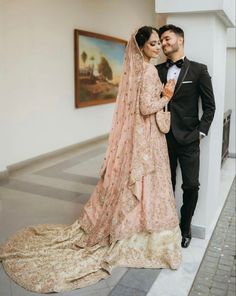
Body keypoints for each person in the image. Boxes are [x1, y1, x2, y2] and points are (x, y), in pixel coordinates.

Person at [0, 26, 181, 293]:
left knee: (141, 184)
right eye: (153, 43)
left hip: (140, 139)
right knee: (148, 184)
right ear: (141, 47)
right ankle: (141, 236)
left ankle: (130, 227)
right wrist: (165, 96)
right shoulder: (150, 70)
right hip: (148, 140)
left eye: (159, 43)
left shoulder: (136, 70)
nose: (158, 47)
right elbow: (145, 108)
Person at [156, 24, 216, 248]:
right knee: (165, 185)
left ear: (180, 40)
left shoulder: (199, 70)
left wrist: (200, 132)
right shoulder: (157, 70)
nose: (163, 43)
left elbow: (210, 107)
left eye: (167, 39)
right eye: (161, 40)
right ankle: (167, 226)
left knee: (191, 186)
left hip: (190, 139)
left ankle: (185, 226)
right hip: (163, 138)